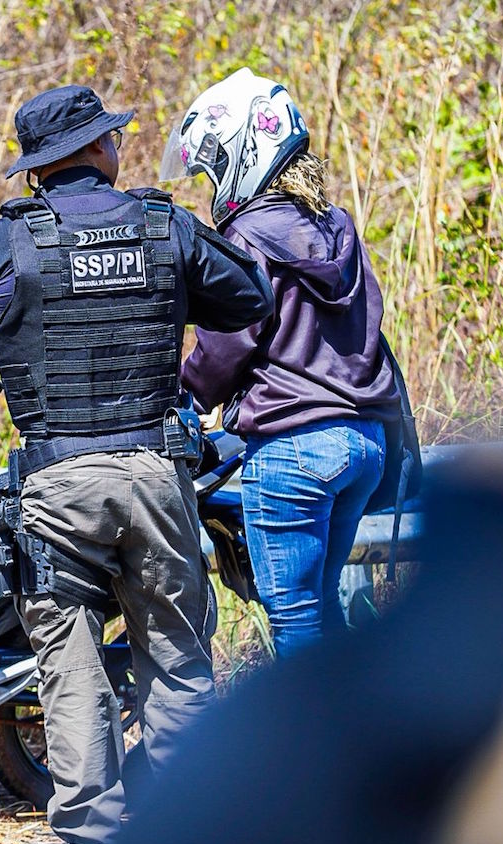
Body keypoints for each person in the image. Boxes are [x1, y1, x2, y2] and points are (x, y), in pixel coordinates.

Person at [0, 85, 274, 844]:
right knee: (176, 658)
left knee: (71, 669)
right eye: (113, 137)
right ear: (96, 151)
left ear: (39, 170)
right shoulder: (164, 226)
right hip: (154, 474)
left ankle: (90, 836)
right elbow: (250, 297)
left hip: (55, 486)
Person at [167, 68, 402, 658]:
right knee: (323, 616)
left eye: (212, 167)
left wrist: (183, 396)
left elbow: (230, 340)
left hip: (295, 445)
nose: (210, 181)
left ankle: (321, 750)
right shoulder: (339, 227)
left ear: (243, 151)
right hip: (365, 441)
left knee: (295, 627)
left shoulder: (249, 234)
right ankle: (358, 741)